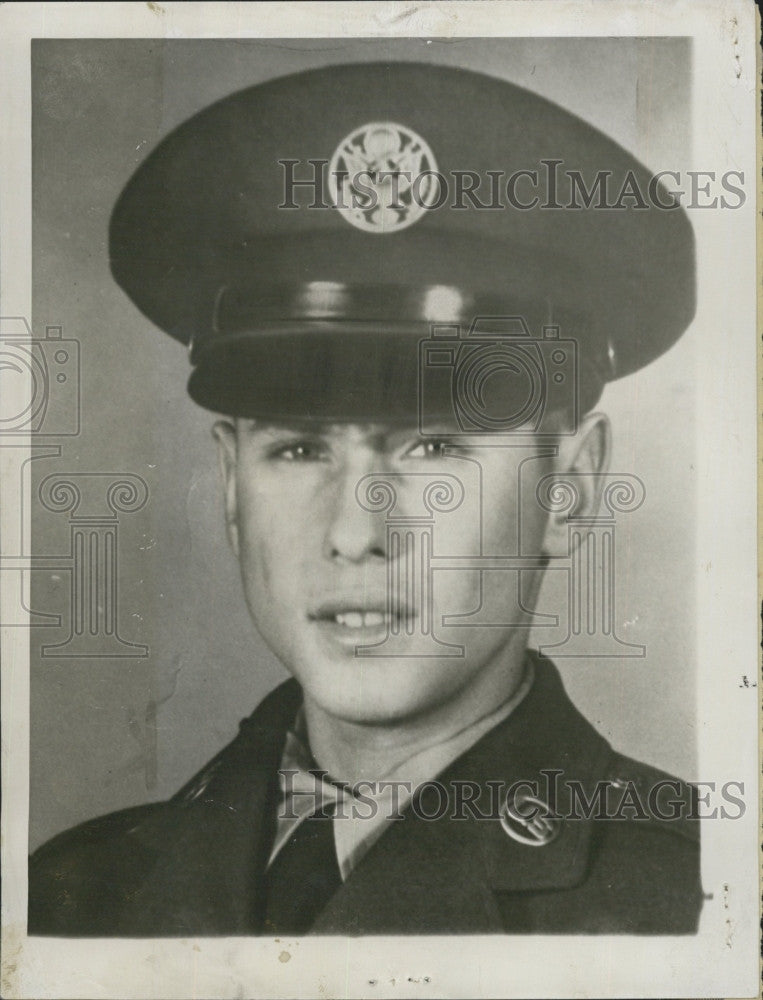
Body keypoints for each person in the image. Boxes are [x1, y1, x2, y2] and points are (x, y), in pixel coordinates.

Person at [28, 60, 703, 936]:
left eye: (435, 447)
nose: (355, 532)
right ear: (232, 484)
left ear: (568, 490)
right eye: (299, 447)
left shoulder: (698, 905)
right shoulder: (71, 900)